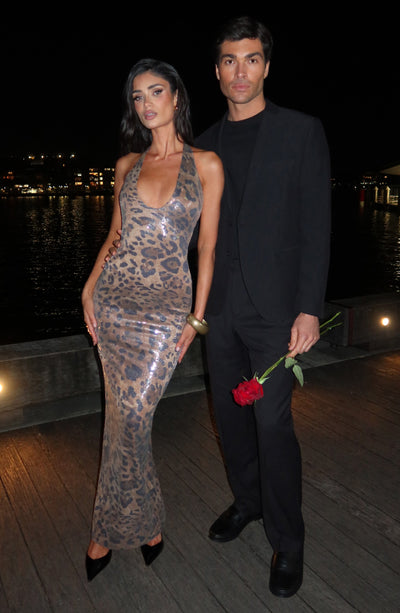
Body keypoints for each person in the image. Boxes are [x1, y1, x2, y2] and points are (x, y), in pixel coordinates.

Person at [194, 16, 331, 598]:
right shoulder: (203, 144)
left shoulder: (301, 132)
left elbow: (316, 227)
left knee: (272, 424)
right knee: (231, 419)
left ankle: (288, 541)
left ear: (267, 67)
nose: (240, 71)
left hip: (276, 313)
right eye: (229, 60)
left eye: (251, 59)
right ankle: (247, 501)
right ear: (217, 71)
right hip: (219, 311)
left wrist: (309, 308)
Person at [81, 58, 223, 582]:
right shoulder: (127, 165)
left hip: (166, 313)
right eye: (137, 96)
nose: (145, 104)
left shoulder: (206, 164)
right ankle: (136, 529)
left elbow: (206, 250)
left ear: (176, 97)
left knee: (134, 420)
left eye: (155, 92)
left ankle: (122, 527)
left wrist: (196, 320)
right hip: (114, 303)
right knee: (121, 421)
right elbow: (114, 237)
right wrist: (89, 288)